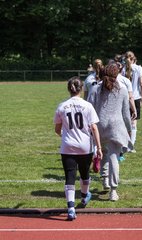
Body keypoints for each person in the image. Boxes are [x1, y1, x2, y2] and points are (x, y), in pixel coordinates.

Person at [54, 76, 103, 220]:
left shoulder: (62, 106)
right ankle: (83, 197)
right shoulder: (87, 106)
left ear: (69, 89)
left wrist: (64, 135)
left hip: (68, 146)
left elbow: (57, 129)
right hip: (85, 146)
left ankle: (70, 208)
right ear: (81, 89)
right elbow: (94, 127)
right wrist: (99, 147)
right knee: (84, 173)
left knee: (69, 176)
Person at [88, 64, 133, 201]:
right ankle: (113, 190)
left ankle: (105, 180)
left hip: (99, 126)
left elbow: (89, 109)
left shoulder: (95, 89)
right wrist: (129, 130)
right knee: (114, 157)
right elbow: (126, 113)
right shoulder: (123, 90)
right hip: (116, 127)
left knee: (102, 152)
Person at [124, 51, 142, 152]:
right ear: (134, 58)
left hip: (125, 98)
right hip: (135, 97)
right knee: (134, 123)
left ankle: (124, 144)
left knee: (125, 122)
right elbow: (141, 83)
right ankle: (131, 146)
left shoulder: (123, 69)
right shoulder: (138, 68)